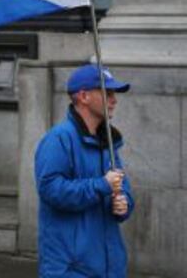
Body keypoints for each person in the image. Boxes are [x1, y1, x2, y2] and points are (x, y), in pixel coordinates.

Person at [35, 63, 134, 278]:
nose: (114, 100)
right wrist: (101, 185)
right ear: (83, 96)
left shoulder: (108, 141)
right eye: (107, 93)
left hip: (110, 267)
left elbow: (122, 187)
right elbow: (50, 190)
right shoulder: (58, 139)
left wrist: (123, 204)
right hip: (70, 269)